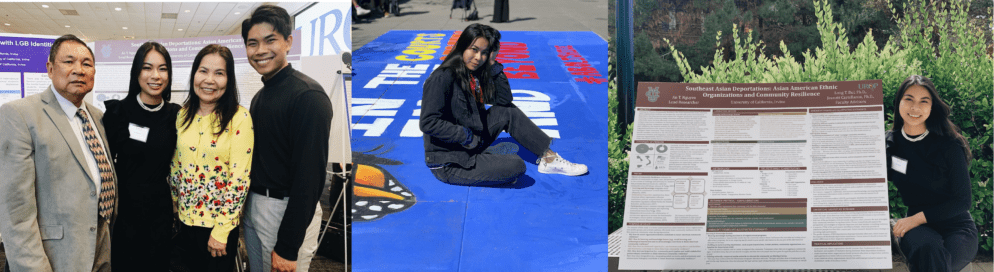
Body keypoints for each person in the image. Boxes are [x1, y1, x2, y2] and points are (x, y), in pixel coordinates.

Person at [0, 34, 117, 271]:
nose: (78, 70)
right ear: (50, 68)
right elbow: (15, 212)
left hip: (100, 249)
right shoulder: (20, 115)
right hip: (54, 258)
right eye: (69, 61)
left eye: (87, 63)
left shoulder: (98, 117)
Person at [420, 23, 588, 187]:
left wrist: (493, 65)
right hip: (450, 161)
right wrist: (466, 136)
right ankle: (489, 162)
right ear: (462, 46)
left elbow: (504, 100)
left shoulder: (472, 73)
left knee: (507, 112)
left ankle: (549, 159)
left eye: (484, 53)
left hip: (472, 141)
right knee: (516, 165)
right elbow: (428, 122)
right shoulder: (442, 77)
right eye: (474, 49)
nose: (478, 57)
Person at [240, 5, 333, 272]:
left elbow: (310, 178)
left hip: (285, 211)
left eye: (270, 40)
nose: (260, 50)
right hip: (256, 206)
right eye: (252, 43)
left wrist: (288, 246)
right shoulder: (262, 94)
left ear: (288, 42)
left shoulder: (307, 96)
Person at [169, 44, 254, 272]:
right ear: (194, 74)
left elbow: (240, 179)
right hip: (186, 222)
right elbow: (177, 165)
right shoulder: (182, 115)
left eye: (219, 73)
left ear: (229, 79)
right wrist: (175, 206)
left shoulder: (239, 117)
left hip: (217, 227)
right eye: (203, 71)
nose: (209, 80)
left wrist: (222, 230)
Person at [101, 41, 180, 272]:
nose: (155, 75)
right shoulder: (118, 112)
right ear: (136, 72)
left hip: (161, 212)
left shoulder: (176, 115)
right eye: (147, 68)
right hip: (125, 211)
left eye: (163, 68)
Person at [887, 75, 978, 272]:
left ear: (931, 107)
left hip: (957, 226)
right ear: (899, 102)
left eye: (923, 101)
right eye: (909, 99)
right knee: (929, 251)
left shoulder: (950, 144)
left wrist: (914, 219)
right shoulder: (890, 144)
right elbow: (871, 181)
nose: (915, 108)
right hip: (918, 230)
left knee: (934, 262)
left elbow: (963, 201)